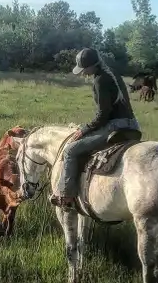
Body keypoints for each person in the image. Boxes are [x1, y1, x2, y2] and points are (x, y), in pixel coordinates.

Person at [50, 48, 142, 209]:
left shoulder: (100, 80)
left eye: (84, 69)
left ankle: (65, 196)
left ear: (93, 66)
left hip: (115, 126)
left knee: (70, 150)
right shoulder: (112, 73)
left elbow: (103, 115)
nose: (83, 73)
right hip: (133, 124)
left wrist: (84, 130)